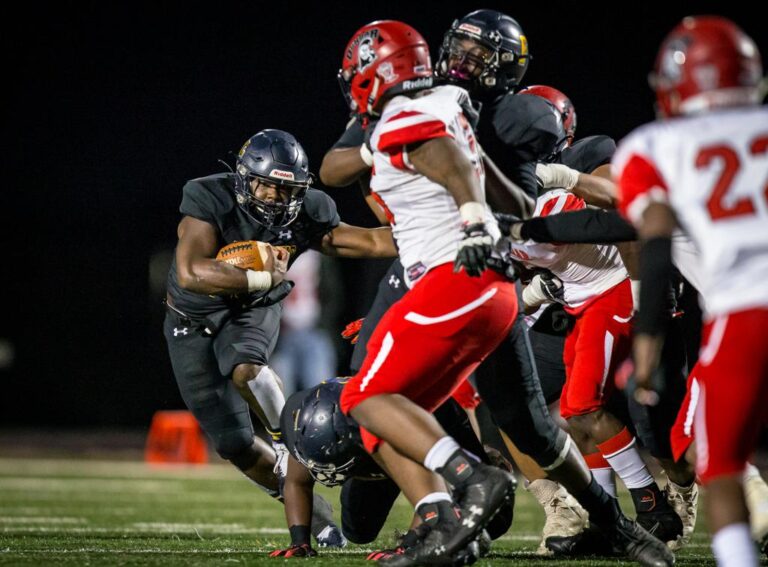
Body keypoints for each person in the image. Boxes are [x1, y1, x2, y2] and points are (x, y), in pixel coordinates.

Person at [336, 19, 673, 567]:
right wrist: (388, 154)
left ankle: (472, 495)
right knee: (397, 416)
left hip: (455, 275)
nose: (467, 57)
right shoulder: (427, 104)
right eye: (461, 45)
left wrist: (473, 210)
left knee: (367, 400)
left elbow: (457, 164)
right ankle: (456, 523)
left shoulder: (435, 113)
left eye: (482, 50)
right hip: (471, 281)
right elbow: (341, 167)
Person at [163, 128, 396, 547]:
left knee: (246, 368)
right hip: (190, 317)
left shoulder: (308, 212)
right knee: (233, 443)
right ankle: (319, 514)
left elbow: (375, 241)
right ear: (243, 177)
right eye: (267, 185)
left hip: (251, 309)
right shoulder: (207, 197)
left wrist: (434, 228)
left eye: (287, 190)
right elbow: (190, 272)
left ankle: (286, 441)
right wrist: (259, 275)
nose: (275, 197)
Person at [613, 16, 767, 567]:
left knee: (720, 464)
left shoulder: (656, 145)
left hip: (744, 315)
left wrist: (647, 347)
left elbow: (654, 248)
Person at [269, 379, 514, 558]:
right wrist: (299, 541)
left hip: (435, 420)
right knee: (358, 530)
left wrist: (409, 545)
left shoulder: (387, 426)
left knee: (495, 522)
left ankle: (484, 466)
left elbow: (437, 484)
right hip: (369, 445)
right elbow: (295, 480)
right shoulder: (300, 421)